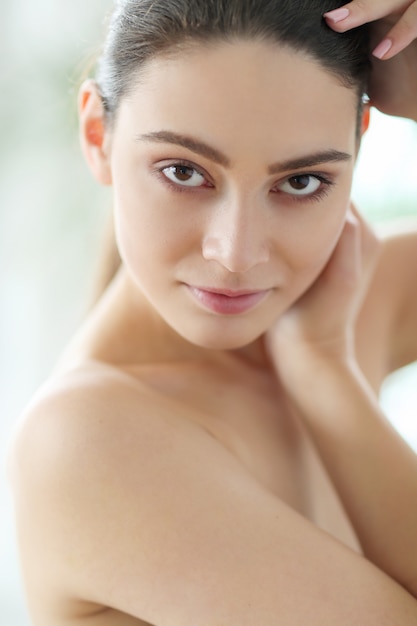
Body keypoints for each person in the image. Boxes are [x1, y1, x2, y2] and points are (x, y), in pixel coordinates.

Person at [7, 0, 417, 624]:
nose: (236, 255)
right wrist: (327, 376)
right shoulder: (89, 439)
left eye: (301, 182)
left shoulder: (356, 300)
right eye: (183, 171)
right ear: (98, 135)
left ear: (356, 151)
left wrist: (322, 363)